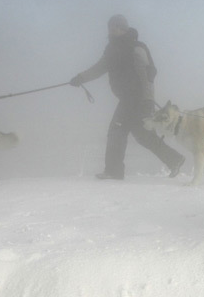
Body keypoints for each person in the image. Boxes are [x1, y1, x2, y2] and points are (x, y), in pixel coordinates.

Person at [70, 15, 185, 180]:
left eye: (116, 27)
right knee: (138, 135)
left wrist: (147, 99)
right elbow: (98, 68)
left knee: (121, 132)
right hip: (127, 99)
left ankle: (114, 170)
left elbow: (147, 75)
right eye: (110, 27)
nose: (112, 29)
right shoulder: (112, 49)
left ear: (124, 29)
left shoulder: (135, 47)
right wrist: (80, 78)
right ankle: (174, 160)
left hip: (138, 99)